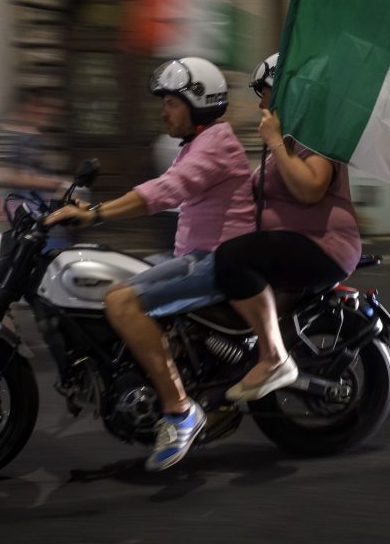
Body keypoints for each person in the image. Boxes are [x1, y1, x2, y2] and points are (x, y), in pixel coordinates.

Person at [45, 57, 254, 471]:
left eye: (172, 102)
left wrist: (96, 213)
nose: (164, 110)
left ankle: (180, 411)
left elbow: (167, 191)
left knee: (122, 302)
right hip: (191, 254)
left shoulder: (218, 142)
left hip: (218, 258)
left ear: (198, 102)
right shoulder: (196, 145)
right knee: (114, 272)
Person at [213, 53, 362, 401]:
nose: (261, 103)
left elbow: (310, 188)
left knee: (233, 259)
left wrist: (276, 142)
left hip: (324, 245)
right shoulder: (288, 141)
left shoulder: (314, 136)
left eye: (265, 93)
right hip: (292, 243)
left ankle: (274, 357)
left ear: (289, 93)